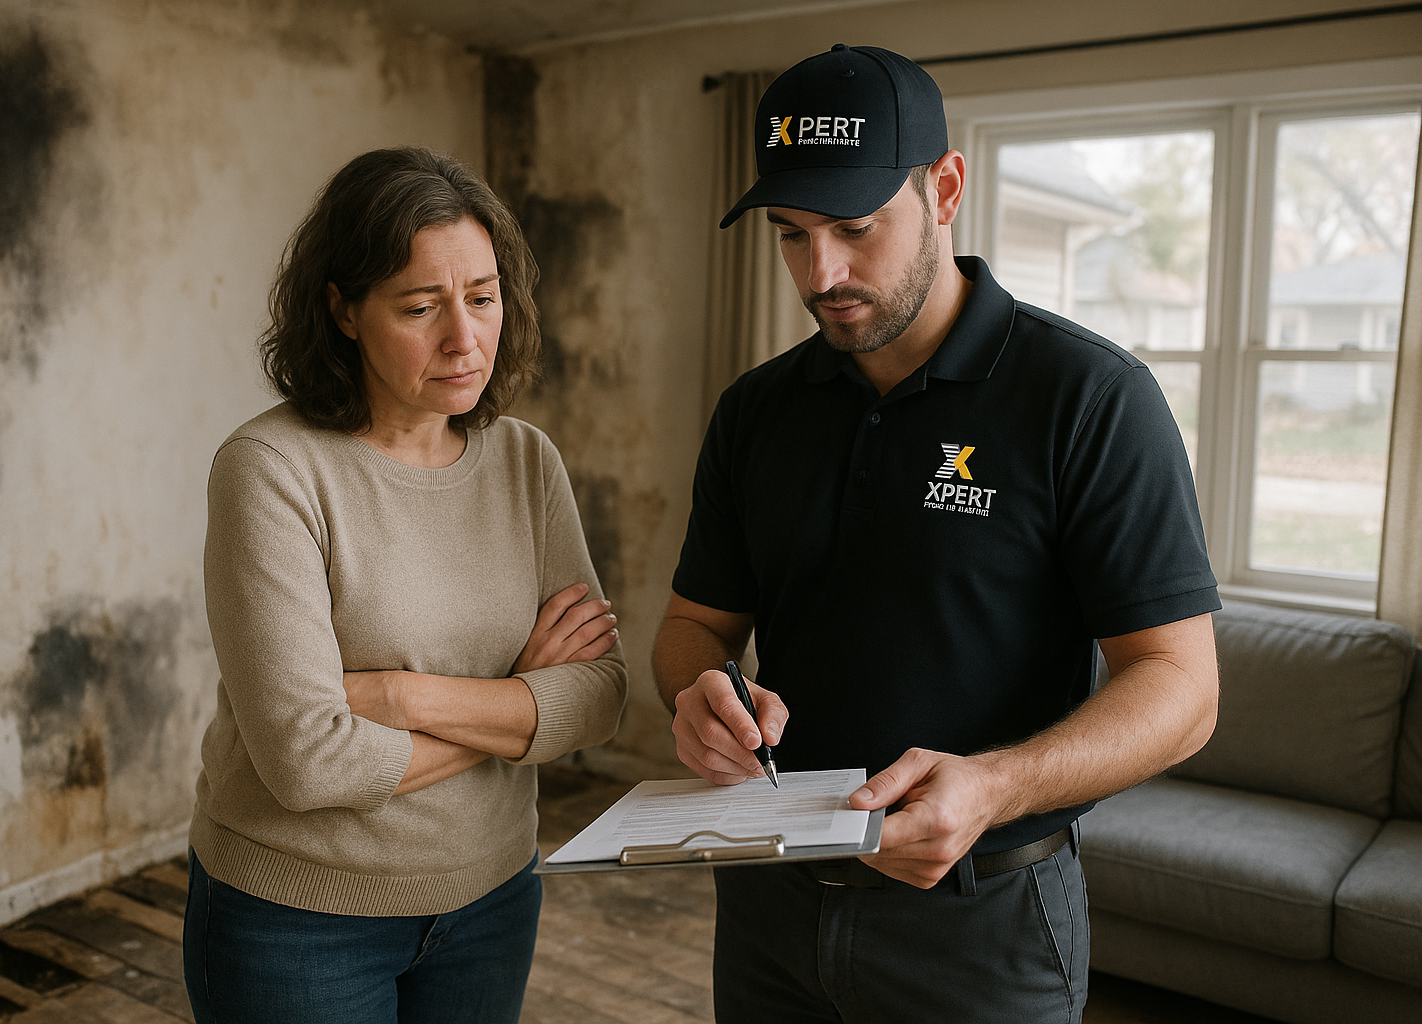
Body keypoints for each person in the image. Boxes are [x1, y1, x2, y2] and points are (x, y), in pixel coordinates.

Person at [652, 44, 1220, 1024]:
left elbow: (1184, 688)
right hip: (767, 905)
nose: (820, 271)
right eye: (791, 234)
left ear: (946, 186)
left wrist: (997, 784)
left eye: (854, 227)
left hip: (981, 925)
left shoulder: (1089, 398)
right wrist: (697, 692)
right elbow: (689, 628)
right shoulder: (756, 410)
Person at [182, 147, 627, 1024]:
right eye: (420, 307)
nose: (465, 340)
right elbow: (308, 763)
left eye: (485, 298)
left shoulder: (526, 461)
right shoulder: (270, 470)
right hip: (296, 923)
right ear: (342, 310)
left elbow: (599, 699)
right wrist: (515, 707)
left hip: (494, 899)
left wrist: (393, 695)